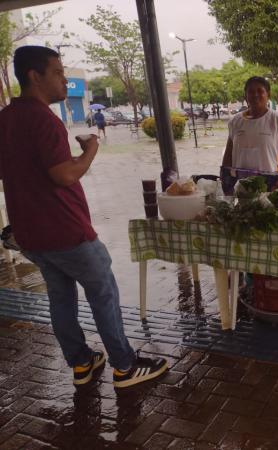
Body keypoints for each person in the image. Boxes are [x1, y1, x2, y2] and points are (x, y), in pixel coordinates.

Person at [0, 46, 168, 388]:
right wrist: (90, 149)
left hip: (31, 233)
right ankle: (125, 366)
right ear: (35, 76)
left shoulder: (5, 118)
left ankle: (81, 363)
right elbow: (64, 175)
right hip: (65, 230)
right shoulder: (43, 119)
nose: (65, 79)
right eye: (58, 72)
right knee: (103, 292)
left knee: (61, 297)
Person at [222, 76, 278, 174]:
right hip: (240, 184)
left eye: (260, 91)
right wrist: (225, 178)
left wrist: (274, 170)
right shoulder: (235, 122)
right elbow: (228, 155)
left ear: (268, 95)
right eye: (251, 92)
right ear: (245, 96)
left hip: (270, 185)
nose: (255, 95)